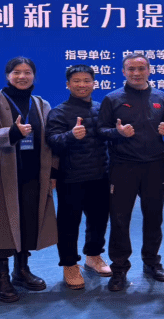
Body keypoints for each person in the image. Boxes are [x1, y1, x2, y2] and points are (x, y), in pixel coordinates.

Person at [0, 57, 57, 303]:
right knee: (0, 228)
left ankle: (22, 271)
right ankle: (1, 278)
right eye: (17, 72)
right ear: (7, 75)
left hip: (33, 175)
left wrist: (53, 171)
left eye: (27, 72)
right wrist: (11, 132)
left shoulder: (41, 104)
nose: (22, 76)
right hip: (2, 177)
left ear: (34, 76)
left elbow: (50, 138)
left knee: (28, 222)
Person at [96, 53, 164, 291]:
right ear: (123, 72)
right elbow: (100, 130)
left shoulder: (162, 97)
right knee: (120, 219)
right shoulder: (112, 98)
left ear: (149, 70)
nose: (136, 73)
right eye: (131, 69)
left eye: (141, 68)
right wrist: (117, 133)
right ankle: (119, 268)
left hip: (154, 166)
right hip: (122, 167)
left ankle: (152, 262)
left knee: (154, 217)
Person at [45, 64, 111, 290]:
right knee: (68, 224)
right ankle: (70, 264)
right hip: (71, 178)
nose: (82, 85)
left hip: (100, 175)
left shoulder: (101, 108)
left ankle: (93, 256)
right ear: (68, 84)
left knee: (99, 220)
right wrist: (71, 135)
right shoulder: (59, 112)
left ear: (94, 83)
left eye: (86, 80)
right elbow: (52, 141)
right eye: (76, 81)